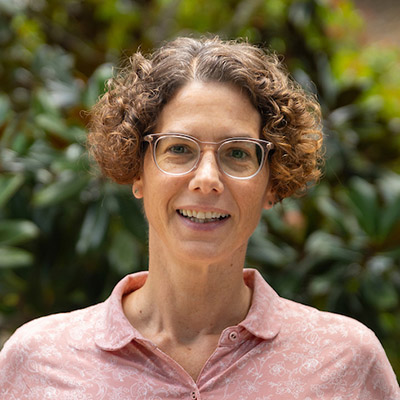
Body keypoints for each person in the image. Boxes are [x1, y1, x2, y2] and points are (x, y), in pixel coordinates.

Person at [0, 36, 398, 399]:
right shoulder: (38, 361)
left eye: (238, 153)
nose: (207, 179)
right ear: (137, 172)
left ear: (272, 183)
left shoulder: (347, 363)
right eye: (179, 149)